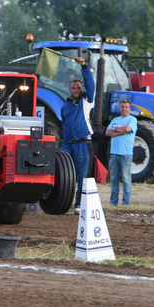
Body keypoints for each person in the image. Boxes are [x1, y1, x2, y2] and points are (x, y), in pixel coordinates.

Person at [60, 56, 95, 214]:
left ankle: (79, 204)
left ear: (82, 90)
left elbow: (90, 84)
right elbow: (64, 124)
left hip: (82, 144)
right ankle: (61, 202)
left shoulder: (87, 101)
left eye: (78, 88)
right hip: (66, 144)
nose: (76, 90)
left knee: (82, 177)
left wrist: (84, 66)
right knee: (62, 173)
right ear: (69, 90)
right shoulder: (65, 106)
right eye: (73, 87)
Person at [105, 99, 137, 206]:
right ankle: (113, 202)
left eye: (126, 107)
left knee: (126, 179)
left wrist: (116, 130)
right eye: (122, 106)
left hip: (126, 153)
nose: (124, 109)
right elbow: (107, 132)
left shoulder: (132, 119)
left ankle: (125, 203)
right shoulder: (115, 119)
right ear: (120, 108)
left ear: (129, 108)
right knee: (114, 179)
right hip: (114, 153)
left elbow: (128, 129)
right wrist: (121, 131)